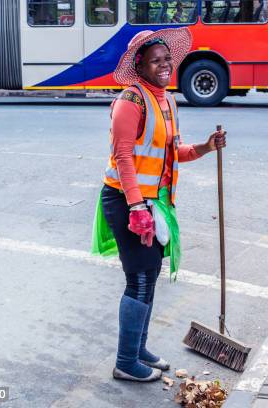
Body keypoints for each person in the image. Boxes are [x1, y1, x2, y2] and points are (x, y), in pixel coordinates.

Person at [94, 27, 226, 382]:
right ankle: (125, 361)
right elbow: (123, 157)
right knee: (138, 280)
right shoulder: (130, 101)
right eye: (156, 61)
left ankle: (138, 349)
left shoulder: (166, 101)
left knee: (148, 278)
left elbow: (174, 153)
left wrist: (205, 147)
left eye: (167, 59)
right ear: (141, 66)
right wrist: (137, 208)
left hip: (154, 204)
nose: (165, 65)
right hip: (126, 202)